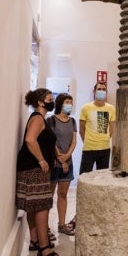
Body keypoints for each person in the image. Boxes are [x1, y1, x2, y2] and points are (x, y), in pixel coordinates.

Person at [15, 88, 61, 256]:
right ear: (41, 102)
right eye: (50, 98)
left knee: (35, 206)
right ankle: (44, 248)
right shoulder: (37, 118)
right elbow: (30, 139)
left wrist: (51, 158)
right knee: (42, 207)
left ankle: (35, 241)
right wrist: (42, 160)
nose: (52, 101)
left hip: (34, 168)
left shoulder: (40, 118)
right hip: (33, 169)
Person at [46, 93, 77, 236]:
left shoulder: (72, 121)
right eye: (67, 102)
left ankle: (62, 224)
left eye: (71, 102)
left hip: (67, 162)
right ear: (60, 104)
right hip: (54, 163)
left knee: (63, 194)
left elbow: (74, 141)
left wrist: (67, 157)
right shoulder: (51, 120)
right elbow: (51, 141)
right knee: (49, 195)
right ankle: (44, 227)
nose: (69, 104)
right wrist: (60, 158)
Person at [78, 82, 115, 174]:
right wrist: (88, 141)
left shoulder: (111, 108)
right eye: (99, 89)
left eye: (104, 89)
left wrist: (104, 139)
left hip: (105, 149)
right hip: (89, 148)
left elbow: (111, 130)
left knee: (102, 178)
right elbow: (81, 130)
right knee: (84, 176)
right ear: (94, 91)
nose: (101, 91)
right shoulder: (85, 108)